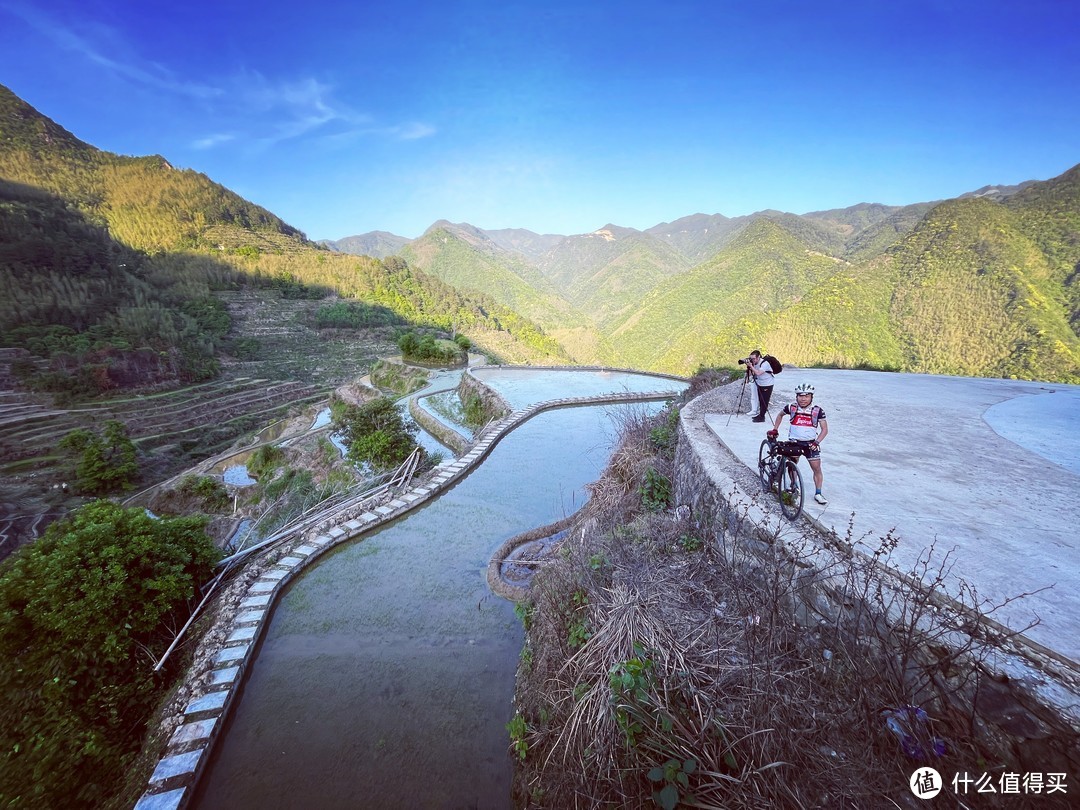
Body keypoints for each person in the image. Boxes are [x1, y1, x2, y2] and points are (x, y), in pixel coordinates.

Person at [769, 382, 829, 505]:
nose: (803, 399)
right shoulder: (791, 407)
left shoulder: (817, 411)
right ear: (796, 397)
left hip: (811, 444)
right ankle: (793, 485)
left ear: (811, 397)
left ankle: (818, 493)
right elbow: (780, 415)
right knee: (792, 465)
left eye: (806, 396)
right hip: (794, 442)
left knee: (816, 468)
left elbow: (824, 430)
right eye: (800, 396)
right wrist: (775, 429)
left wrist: (817, 442)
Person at [746, 350, 774, 422]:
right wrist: (749, 367)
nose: (752, 360)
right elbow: (750, 373)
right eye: (751, 358)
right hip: (760, 383)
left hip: (767, 384)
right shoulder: (754, 363)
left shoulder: (765, 363)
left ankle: (762, 417)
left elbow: (758, 373)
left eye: (754, 358)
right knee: (761, 400)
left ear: (758, 357)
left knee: (764, 401)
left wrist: (751, 366)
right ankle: (760, 415)